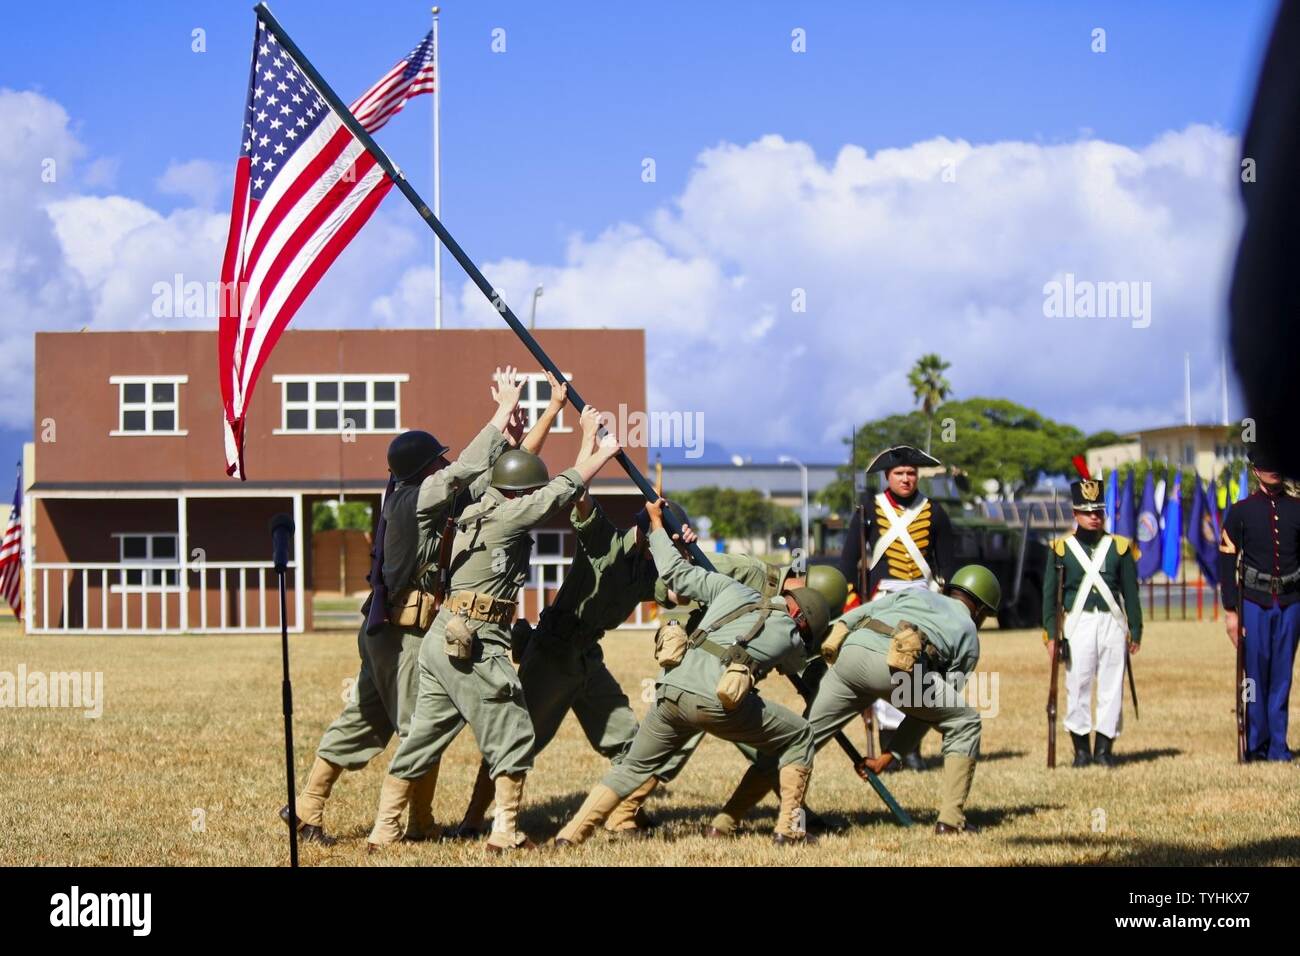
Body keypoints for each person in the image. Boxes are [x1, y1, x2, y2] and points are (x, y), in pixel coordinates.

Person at [278, 367, 525, 845]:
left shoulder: (405, 495)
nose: (441, 466)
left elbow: (477, 484)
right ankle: (418, 823)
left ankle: (306, 807)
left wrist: (508, 441)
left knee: (365, 718)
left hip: (382, 630)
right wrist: (501, 412)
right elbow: (460, 475)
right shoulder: (420, 495)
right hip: (406, 634)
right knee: (419, 727)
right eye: (435, 462)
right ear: (423, 469)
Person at [365, 406, 624, 852]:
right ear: (520, 493)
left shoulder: (475, 506)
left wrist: (581, 441)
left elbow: (548, 484)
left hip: (441, 637)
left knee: (422, 737)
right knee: (514, 731)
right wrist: (600, 449)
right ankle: (504, 832)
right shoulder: (508, 517)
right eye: (529, 492)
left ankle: (384, 831)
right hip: (474, 642)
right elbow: (561, 491)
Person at [554, 498, 832, 847]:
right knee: (800, 735)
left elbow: (674, 573)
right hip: (718, 701)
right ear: (801, 620)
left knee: (629, 768)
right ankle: (790, 830)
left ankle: (570, 836)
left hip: (671, 689)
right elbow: (800, 666)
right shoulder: (793, 636)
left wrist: (657, 525)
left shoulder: (730, 587)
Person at [712, 565, 999, 836]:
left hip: (853, 654)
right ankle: (951, 822)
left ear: (951, 590)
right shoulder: (969, 635)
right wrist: (892, 754)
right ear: (982, 610)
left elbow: (854, 616)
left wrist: (821, 656)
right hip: (900, 670)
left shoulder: (916, 594)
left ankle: (724, 822)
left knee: (799, 739)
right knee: (966, 721)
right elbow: (930, 714)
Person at [838, 445, 955, 770]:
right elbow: (849, 560)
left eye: (911, 473)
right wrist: (850, 599)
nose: (906, 478)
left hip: (922, 597)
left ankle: (909, 748)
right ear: (888, 477)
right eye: (900, 473)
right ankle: (890, 748)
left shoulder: (933, 511)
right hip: (884, 598)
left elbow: (948, 565)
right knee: (888, 671)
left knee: (918, 673)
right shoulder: (869, 509)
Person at [1041, 478, 1142, 768]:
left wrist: (1136, 628)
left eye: (1098, 511)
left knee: (1112, 686)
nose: (1094, 517)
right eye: (1087, 512)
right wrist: (1051, 634)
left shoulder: (1119, 548)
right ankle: (1081, 751)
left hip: (1112, 622)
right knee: (1079, 684)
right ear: (1075, 514)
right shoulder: (1060, 549)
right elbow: (1050, 597)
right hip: (1078, 624)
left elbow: (1130, 593)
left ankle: (1104, 750)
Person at [1219, 450, 1300, 762]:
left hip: (1291, 602)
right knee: (1253, 677)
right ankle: (1255, 743)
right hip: (1253, 601)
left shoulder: (1296, 509)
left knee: (1282, 675)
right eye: (1266, 467)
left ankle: (1279, 746)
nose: (1273, 472)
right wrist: (1230, 610)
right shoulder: (1241, 512)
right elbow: (1227, 562)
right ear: (1255, 470)